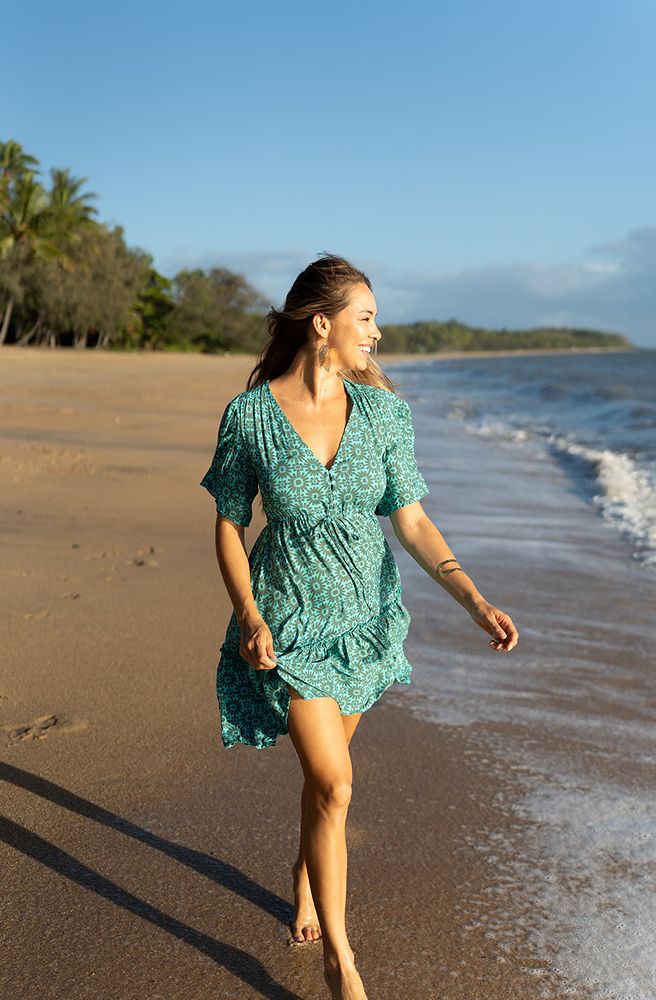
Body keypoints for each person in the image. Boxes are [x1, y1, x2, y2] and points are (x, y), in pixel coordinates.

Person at [200, 252, 519, 1000]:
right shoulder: (251, 417)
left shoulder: (383, 416)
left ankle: (304, 874)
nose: (377, 332)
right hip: (290, 627)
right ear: (322, 324)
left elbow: (413, 522)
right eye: (366, 317)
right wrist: (248, 612)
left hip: (365, 624)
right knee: (337, 785)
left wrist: (474, 600)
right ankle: (343, 964)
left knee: (325, 784)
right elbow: (228, 524)